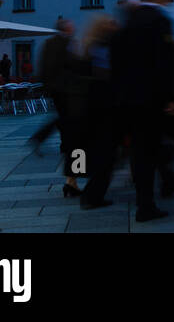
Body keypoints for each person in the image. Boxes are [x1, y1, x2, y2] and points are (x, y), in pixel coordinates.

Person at [111, 0, 174, 223]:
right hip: (152, 100)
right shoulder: (160, 21)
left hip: (128, 99)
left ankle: (148, 199)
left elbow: (116, 61)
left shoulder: (129, 21)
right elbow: (164, 64)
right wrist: (170, 99)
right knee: (160, 145)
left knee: (140, 152)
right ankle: (152, 199)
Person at [71, 16, 119, 210]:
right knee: (106, 155)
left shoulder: (89, 47)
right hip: (102, 108)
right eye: (110, 23)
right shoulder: (100, 48)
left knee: (104, 154)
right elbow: (104, 74)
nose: (114, 25)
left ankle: (91, 193)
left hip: (95, 108)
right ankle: (91, 196)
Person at [30, 19, 74, 157]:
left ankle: (64, 144)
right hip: (63, 87)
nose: (73, 29)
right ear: (66, 29)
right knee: (64, 117)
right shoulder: (65, 43)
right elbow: (60, 65)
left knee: (63, 116)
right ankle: (42, 138)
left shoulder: (50, 43)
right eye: (71, 27)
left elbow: (43, 65)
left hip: (55, 87)